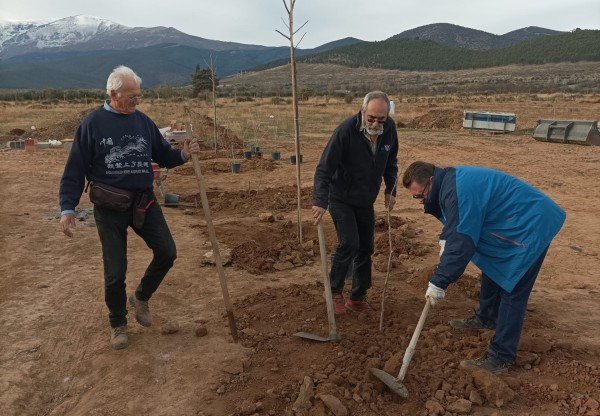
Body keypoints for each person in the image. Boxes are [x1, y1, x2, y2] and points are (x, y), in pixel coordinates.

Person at [59, 65, 200, 350]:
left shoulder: (143, 122)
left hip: (143, 201)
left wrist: (183, 154)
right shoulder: (92, 123)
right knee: (115, 270)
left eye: (139, 95)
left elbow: (164, 156)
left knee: (167, 252)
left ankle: (141, 296)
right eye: (131, 96)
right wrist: (67, 207)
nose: (137, 101)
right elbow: (75, 168)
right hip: (109, 207)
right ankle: (118, 323)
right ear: (113, 94)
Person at [402, 161, 566, 373]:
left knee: (512, 287)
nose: (419, 201)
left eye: (419, 196)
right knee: (492, 266)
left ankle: (500, 357)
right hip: (509, 222)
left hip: (531, 223)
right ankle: (486, 317)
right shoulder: (448, 184)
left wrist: (439, 281)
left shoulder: (459, 189)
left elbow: (462, 243)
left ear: (431, 181)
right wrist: (446, 238)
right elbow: (455, 221)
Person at [312, 91, 399, 316]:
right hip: (340, 196)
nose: (375, 123)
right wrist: (320, 201)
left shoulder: (389, 130)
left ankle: (358, 297)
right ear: (362, 111)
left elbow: (391, 163)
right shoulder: (345, 131)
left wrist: (391, 189)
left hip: (365, 198)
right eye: (371, 118)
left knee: (366, 248)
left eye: (381, 119)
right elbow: (324, 169)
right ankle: (334, 291)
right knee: (349, 243)